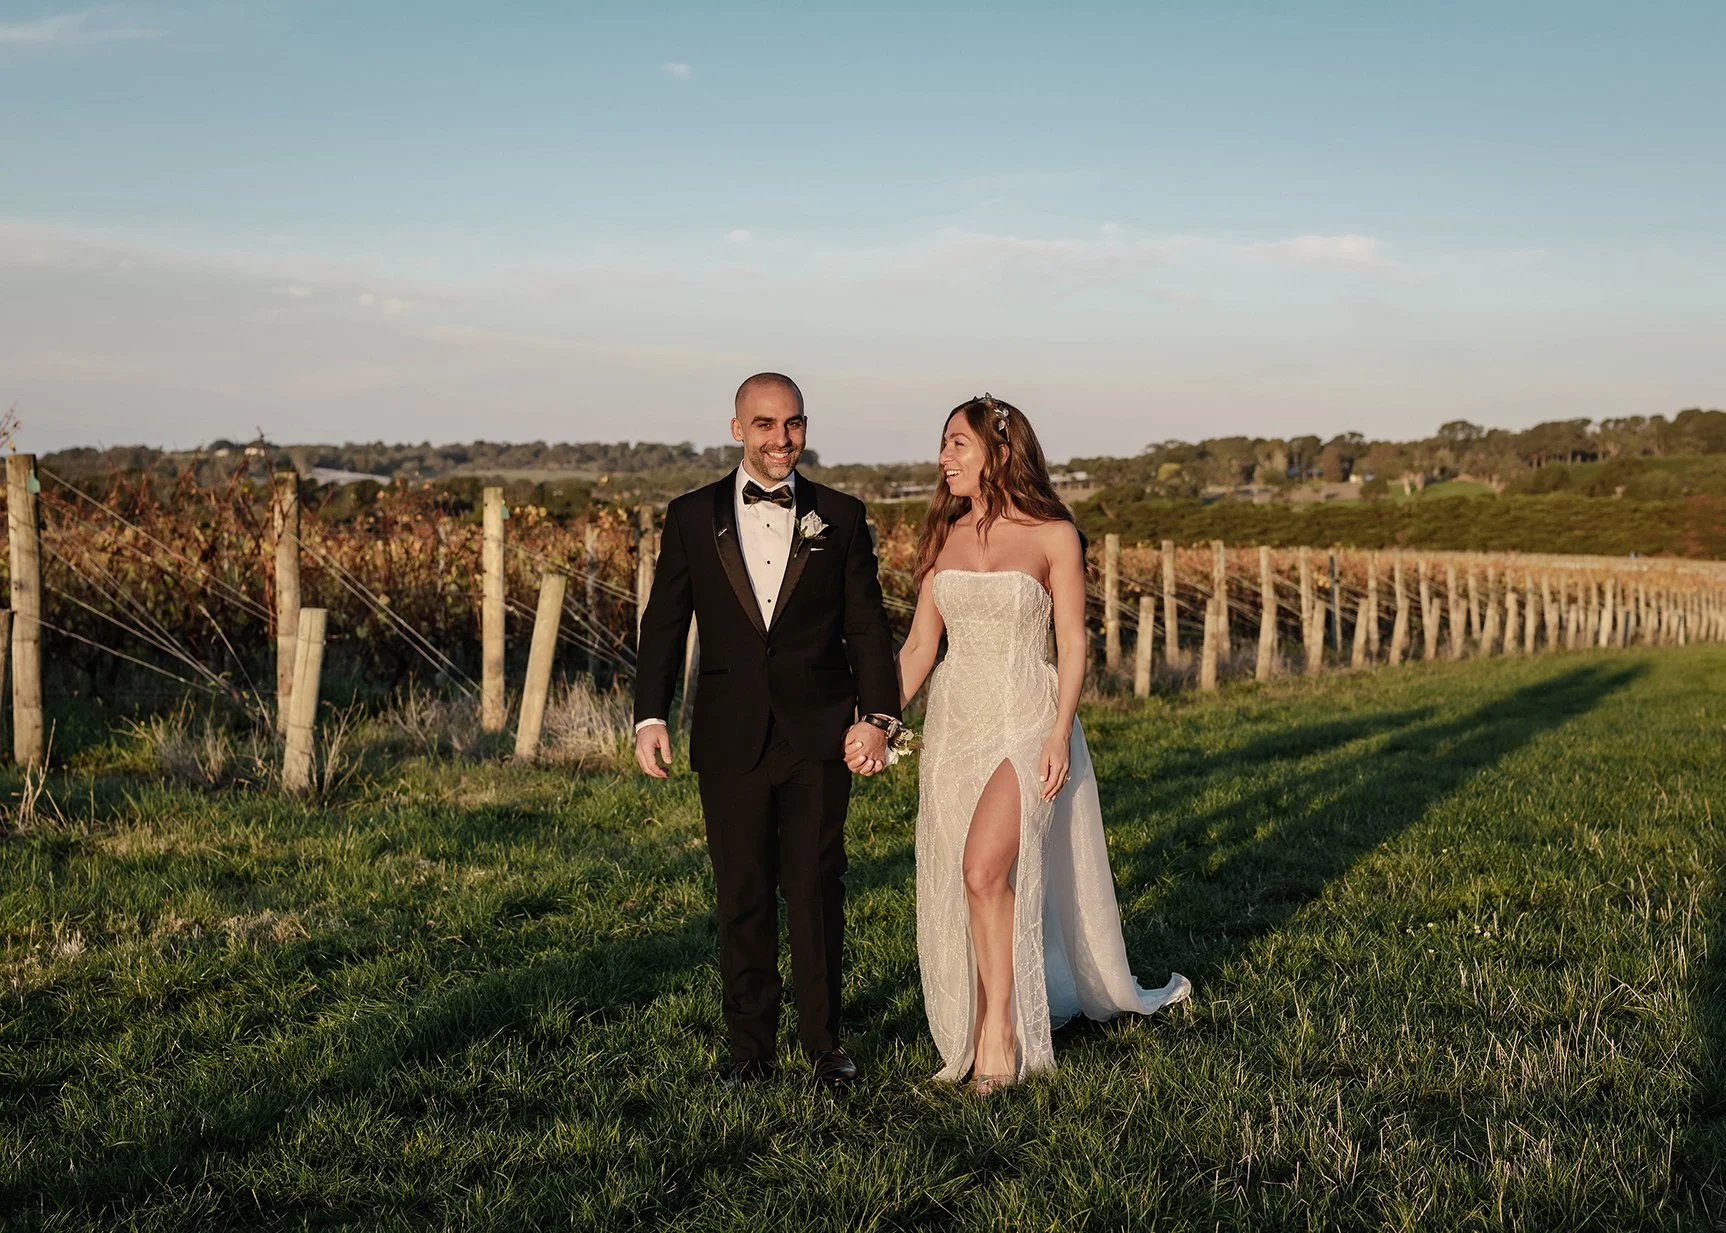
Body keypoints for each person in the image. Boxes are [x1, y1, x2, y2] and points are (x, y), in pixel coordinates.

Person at [894, 394, 1190, 1093]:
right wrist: (875, 717)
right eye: (943, 445)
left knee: (981, 868)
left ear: (1001, 450)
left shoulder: (1055, 534)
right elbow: (917, 646)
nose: (944, 459)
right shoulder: (943, 537)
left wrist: (1059, 729)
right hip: (956, 721)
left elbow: (1072, 642)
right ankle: (988, 1012)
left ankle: (1000, 1032)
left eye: (957, 445)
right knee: (975, 880)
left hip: (1026, 719)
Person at [633, 372, 901, 1092]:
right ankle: (748, 1053)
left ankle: (825, 1047)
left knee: (816, 888)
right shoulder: (690, 516)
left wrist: (878, 718)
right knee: (743, 895)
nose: (782, 440)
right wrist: (650, 713)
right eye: (765, 425)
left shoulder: (840, 515)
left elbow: (867, 627)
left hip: (820, 733)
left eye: (794, 424)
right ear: (736, 429)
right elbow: (664, 621)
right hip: (729, 736)